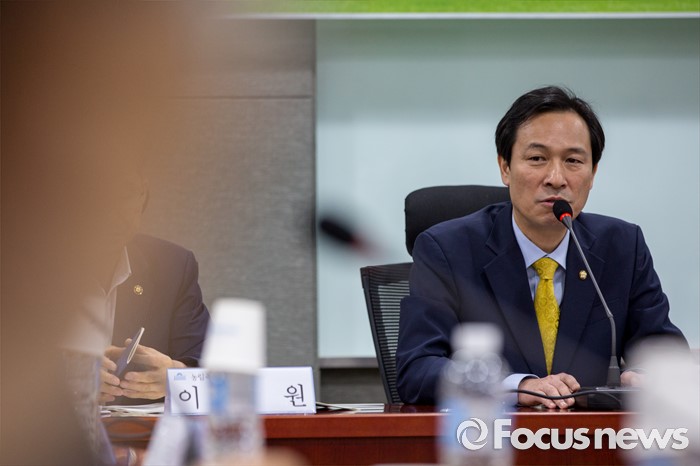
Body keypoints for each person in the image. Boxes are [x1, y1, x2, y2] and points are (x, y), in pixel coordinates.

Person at [396, 86, 687, 408]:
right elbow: (417, 369)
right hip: (488, 432)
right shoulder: (447, 250)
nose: (556, 178)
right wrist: (515, 386)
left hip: (592, 435)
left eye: (573, 160)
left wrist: (645, 375)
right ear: (505, 167)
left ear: (592, 174)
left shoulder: (622, 247)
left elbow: (664, 351)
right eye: (537, 158)